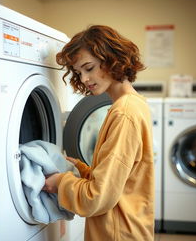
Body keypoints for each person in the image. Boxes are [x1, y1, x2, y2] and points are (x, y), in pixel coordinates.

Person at [43, 25, 154, 241]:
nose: (84, 78)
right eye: (78, 72)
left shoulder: (123, 113)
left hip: (118, 234)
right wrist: (83, 170)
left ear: (113, 59)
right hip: (129, 227)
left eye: (89, 68)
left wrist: (60, 183)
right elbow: (121, 181)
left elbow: (97, 198)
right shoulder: (134, 104)